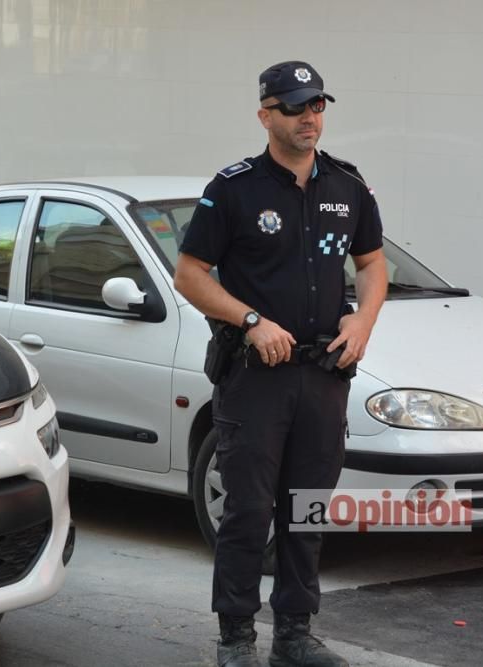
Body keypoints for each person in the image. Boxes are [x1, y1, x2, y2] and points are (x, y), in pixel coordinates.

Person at [174, 60, 388, 667]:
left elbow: (372, 264)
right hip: (256, 378)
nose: (310, 117)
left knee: (307, 511)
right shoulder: (235, 188)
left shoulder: (347, 185)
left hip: (323, 374)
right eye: (296, 107)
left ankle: (295, 634)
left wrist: (363, 320)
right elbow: (188, 275)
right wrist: (250, 320)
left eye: (318, 105)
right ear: (266, 114)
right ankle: (236, 637)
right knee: (247, 512)